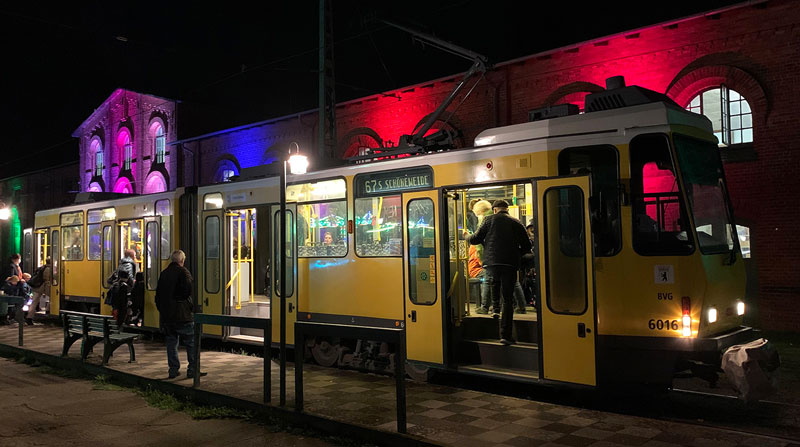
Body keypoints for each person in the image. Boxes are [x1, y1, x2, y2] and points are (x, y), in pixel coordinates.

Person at [465, 199, 531, 345]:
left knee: (494, 285)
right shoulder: (516, 222)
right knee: (507, 299)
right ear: (506, 209)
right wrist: (515, 253)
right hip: (510, 264)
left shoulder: (488, 221)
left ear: (495, 210)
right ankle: (505, 335)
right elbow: (527, 246)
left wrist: (466, 236)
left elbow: (475, 239)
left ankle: (495, 310)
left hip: (491, 264)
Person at [155, 250, 203, 379]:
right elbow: (188, 291)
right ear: (182, 261)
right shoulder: (184, 272)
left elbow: (158, 296)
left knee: (171, 343)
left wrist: (163, 310)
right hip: (182, 315)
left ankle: (173, 370)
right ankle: (193, 369)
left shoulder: (164, 273)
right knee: (191, 342)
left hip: (167, 317)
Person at [27, 257, 52, 325]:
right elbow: (48, 279)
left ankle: (29, 317)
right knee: (53, 298)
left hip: (37, 287)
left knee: (34, 302)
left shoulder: (41, 267)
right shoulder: (50, 269)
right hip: (44, 287)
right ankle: (48, 311)